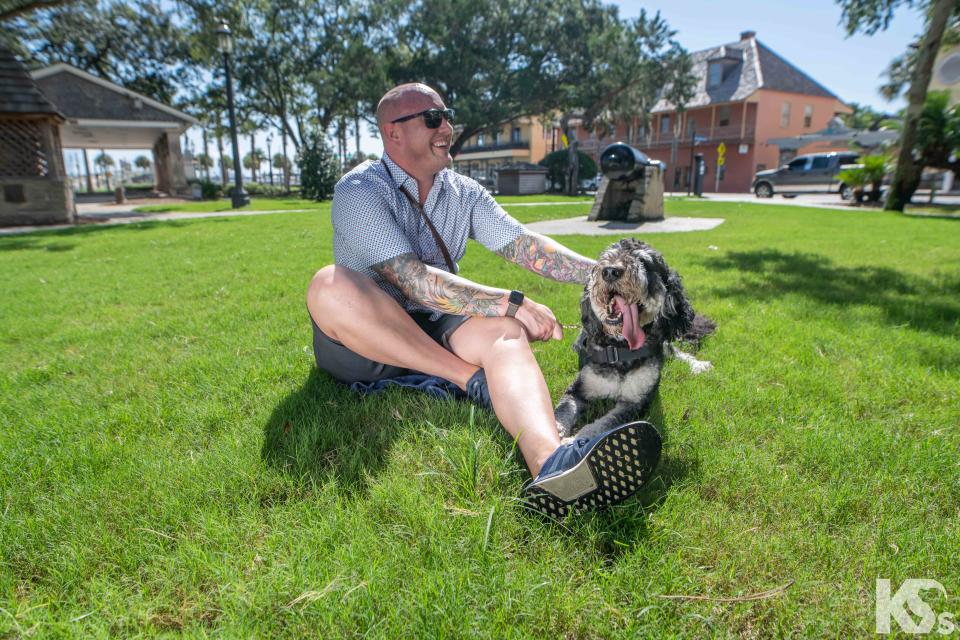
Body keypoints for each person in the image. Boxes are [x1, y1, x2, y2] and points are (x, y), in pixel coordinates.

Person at [306, 83, 653, 517]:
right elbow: (412, 281)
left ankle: (551, 465)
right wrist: (510, 299)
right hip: (366, 340)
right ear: (392, 134)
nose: (447, 127)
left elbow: (524, 245)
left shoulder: (462, 191)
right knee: (327, 285)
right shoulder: (359, 189)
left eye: (447, 115)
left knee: (505, 333)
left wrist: (606, 276)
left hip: (433, 323)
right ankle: (468, 379)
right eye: (432, 118)